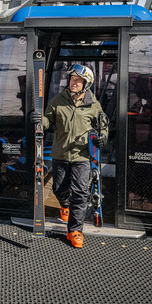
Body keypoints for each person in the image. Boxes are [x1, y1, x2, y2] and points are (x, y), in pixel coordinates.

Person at [33, 63, 108, 248]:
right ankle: (64, 205)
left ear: (86, 84)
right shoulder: (58, 100)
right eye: (72, 79)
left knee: (81, 193)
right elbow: (48, 120)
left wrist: (102, 138)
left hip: (82, 156)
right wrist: (39, 121)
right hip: (60, 154)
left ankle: (75, 230)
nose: (73, 83)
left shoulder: (93, 105)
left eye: (78, 80)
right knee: (59, 188)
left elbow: (103, 126)